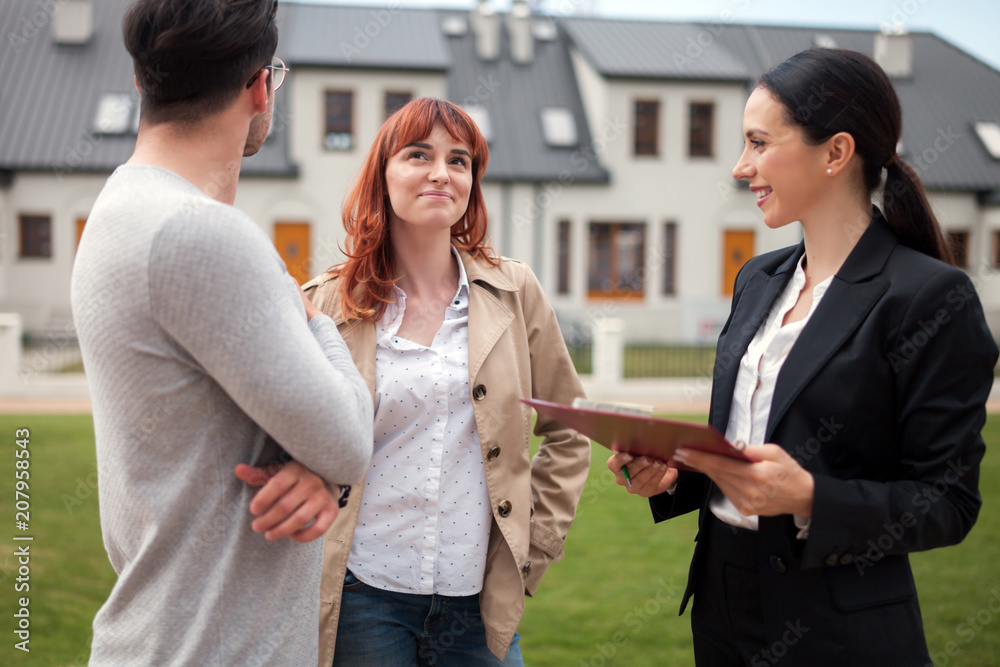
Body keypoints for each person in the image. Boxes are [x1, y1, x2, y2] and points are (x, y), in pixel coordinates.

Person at [607, 47, 997, 665]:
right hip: (722, 607)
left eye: (760, 143)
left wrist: (813, 496)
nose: (741, 167)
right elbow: (743, 447)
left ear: (836, 153)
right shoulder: (758, 278)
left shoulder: (928, 297)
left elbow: (949, 503)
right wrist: (674, 473)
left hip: (839, 626)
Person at [71, 1, 373, 664]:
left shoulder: (119, 211)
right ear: (261, 85)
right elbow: (350, 440)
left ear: (140, 83)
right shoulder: (200, 233)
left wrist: (316, 467)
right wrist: (311, 315)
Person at [302, 97, 592, 666]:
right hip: (364, 597)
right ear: (382, 176)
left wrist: (533, 547)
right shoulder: (323, 305)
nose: (441, 172)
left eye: (459, 161)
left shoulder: (515, 290)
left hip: (476, 601)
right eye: (419, 155)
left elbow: (569, 428)